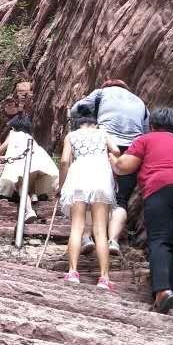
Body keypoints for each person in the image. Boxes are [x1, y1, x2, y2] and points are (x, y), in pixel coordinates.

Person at [112, 106, 173, 314]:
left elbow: (124, 166)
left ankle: (163, 292)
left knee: (161, 242)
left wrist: (113, 159)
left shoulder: (147, 139)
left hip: (164, 189)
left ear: (152, 125)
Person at [71, 78, 149, 255]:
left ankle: (86, 237)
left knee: (93, 192)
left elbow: (77, 109)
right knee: (121, 199)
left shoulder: (101, 93)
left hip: (105, 143)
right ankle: (113, 241)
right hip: (132, 149)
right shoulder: (140, 102)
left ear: (108, 85)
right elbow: (145, 131)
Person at [57, 102, 120, 290]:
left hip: (78, 178)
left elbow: (64, 161)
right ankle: (104, 277)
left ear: (78, 122)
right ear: (94, 121)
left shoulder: (71, 136)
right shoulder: (103, 133)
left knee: (77, 227)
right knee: (101, 230)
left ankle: (73, 272)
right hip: (100, 178)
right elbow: (116, 150)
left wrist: (62, 185)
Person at [0, 116, 59, 222]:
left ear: (14, 127)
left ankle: (29, 210)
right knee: (29, 183)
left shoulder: (13, 134)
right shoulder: (29, 137)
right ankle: (33, 196)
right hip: (42, 163)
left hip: (26, 165)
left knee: (21, 185)